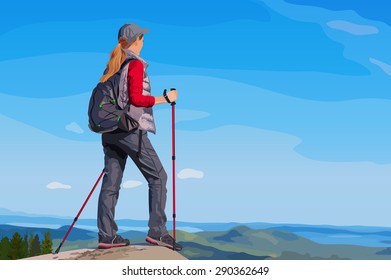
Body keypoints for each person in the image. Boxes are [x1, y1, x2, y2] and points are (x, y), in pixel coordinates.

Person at [96, 23, 182, 251]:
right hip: (129, 130)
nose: (143, 43)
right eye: (142, 39)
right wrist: (166, 99)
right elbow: (136, 99)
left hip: (109, 132)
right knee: (159, 177)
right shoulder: (133, 65)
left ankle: (107, 236)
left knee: (111, 183)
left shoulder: (111, 67)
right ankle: (157, 232)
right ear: (135, 41)